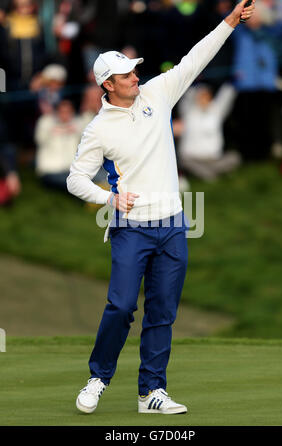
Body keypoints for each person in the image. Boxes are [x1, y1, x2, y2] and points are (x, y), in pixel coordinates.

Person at [66, 0, 256, 415]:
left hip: (172, 225)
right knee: (120, 306)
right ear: (107, 85)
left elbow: (195, 59)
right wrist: (108, 198)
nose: (136, 77)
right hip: (130, 226)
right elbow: (75, 178)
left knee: (163, 311)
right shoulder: (98, 130)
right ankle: (98, 377)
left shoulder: (157, 93)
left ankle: (151, 392)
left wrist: (228, 22)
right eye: (127, 74)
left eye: (134, 71)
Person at [178, 83, 241, 182]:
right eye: (201, 97)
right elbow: (187, 95)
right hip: (192, 159)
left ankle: (209, 174)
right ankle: (211, 175)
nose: (204, 100)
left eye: (206, 97)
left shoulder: (216, 111)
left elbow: (226, 96)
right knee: (185, 161)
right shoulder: (189, 113)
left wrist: (232, 82)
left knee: (234, 157)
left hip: (213, 159)